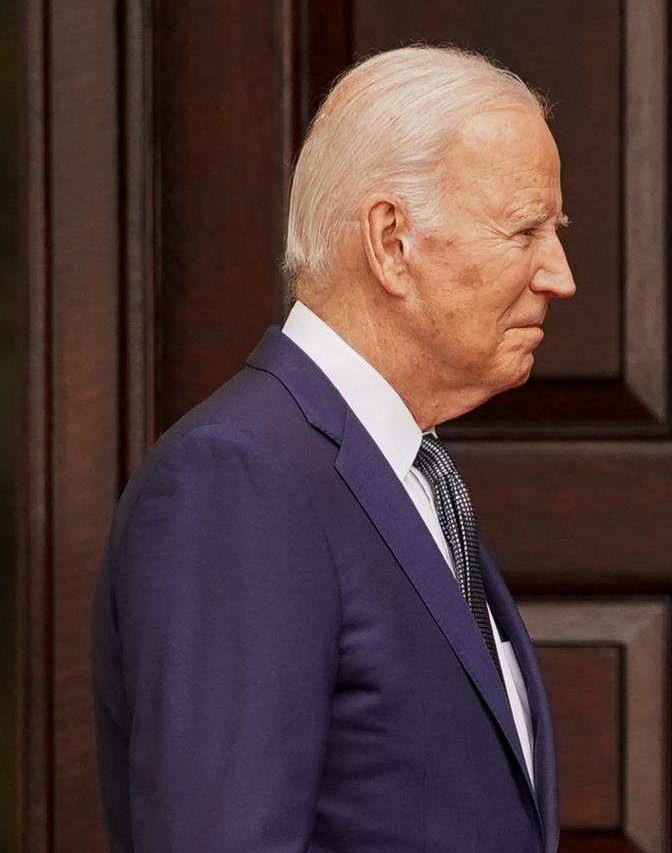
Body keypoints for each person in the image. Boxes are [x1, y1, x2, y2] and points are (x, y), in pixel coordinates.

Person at [91, 45, 576, 852]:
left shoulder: (410, 472)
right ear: (390, 241)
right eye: (524, 229)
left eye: (553, 232)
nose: (557, 275)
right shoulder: (241, 478)